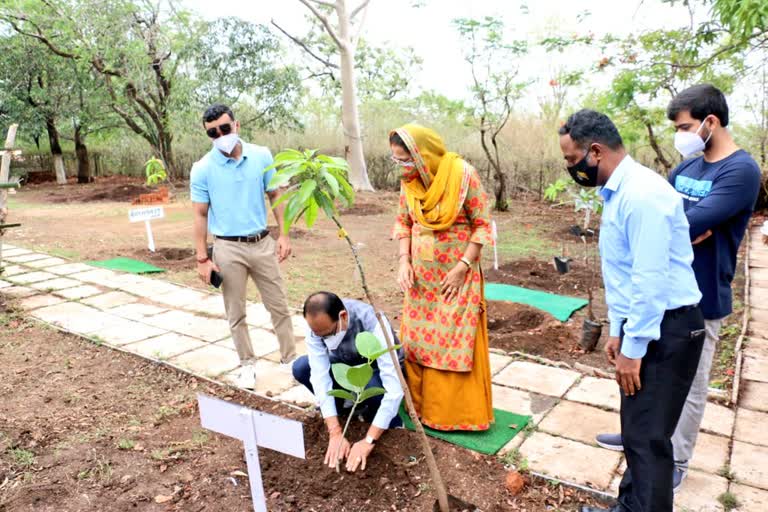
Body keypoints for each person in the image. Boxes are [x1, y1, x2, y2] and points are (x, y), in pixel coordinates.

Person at [594, 85, 762, 490]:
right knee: (644, 371)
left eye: (684, 126)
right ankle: (642, 438)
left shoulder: (740, 170)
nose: (679, 134)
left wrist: (680, 225)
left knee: (689, 387)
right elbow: (671, 221)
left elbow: (682, 222)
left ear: (711, 122)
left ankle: (676, 460)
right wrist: (681, 225)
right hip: (656, 294)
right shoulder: (687, 167)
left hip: (703, 295)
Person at [558, 110, 705, 512]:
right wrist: (619, 330)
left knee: (650, 441)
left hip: (669, 329)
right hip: (652, 324)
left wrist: (634, 348)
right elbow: (624, 272)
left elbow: (650, 280)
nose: (572, 168)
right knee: (639, 434)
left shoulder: (642, 195)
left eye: (572, 160)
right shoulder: (621, 192)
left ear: (595, 150)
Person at [390, 124, 493, 431]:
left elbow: (482, 225)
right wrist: (403, 261)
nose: (401, 168)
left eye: (405, 160)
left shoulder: (463, 175)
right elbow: (403, 222)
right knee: (418, 342)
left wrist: (463, 266)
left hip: (456, 278)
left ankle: (456, 416)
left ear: (423, 156)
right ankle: (422, 410)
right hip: (420, 281)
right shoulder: (410, 182)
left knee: (454, 341)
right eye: (396, 161)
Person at [191, 103, 297, 390]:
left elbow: (276, 194)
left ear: (236, 126)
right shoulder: (202, 169)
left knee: (279, 306)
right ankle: (247, 364)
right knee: (235, 312)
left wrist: (284, 235)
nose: (221, 135)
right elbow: (200, 214)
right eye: (213, 133)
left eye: (225, 128)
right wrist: (202, 258)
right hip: (227, 248)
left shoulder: (261, 155)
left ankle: (290, 361)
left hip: (262, 243)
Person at [292, 291, 404, 472]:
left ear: (342, 316)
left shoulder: (373, 322)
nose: (325, 339)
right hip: (343, 366)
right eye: (320, 336)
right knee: (301, 367)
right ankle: (342, 408)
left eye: (328, 334)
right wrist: (335, 432)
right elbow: (320, 377)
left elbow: (394, 389)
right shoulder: (316, 328)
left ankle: (386, 422)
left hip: (375, 370)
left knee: (372, 388)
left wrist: (368, 441)